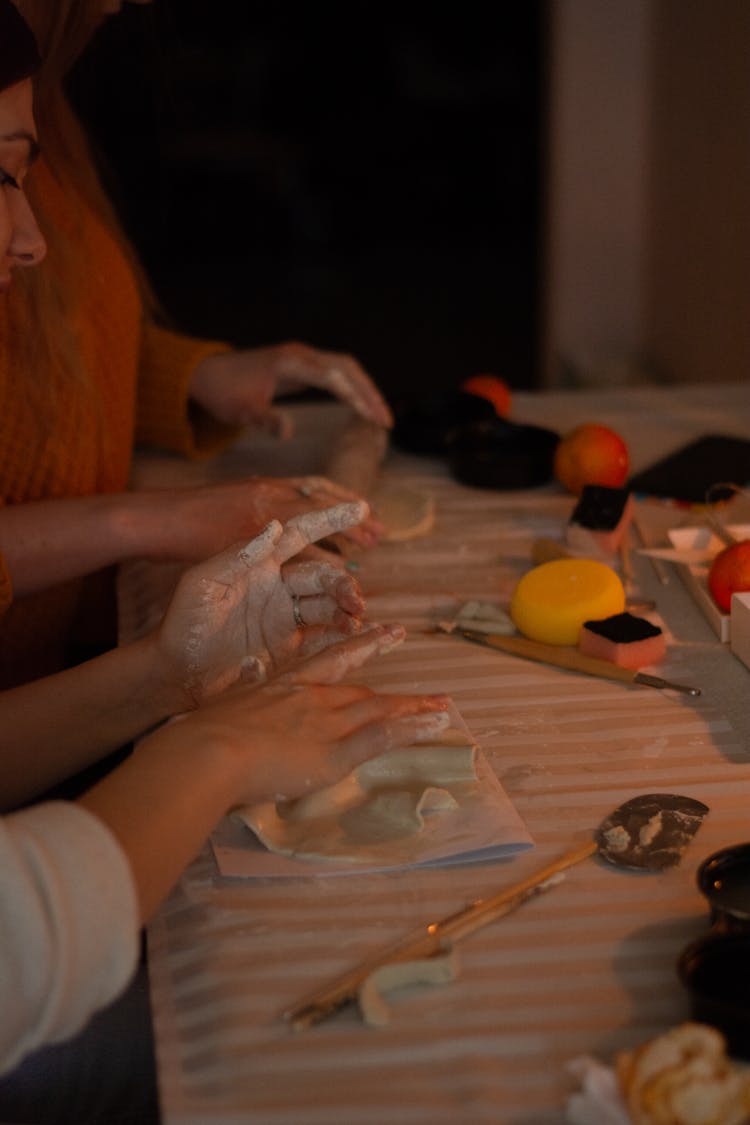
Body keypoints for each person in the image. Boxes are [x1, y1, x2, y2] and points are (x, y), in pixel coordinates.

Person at [0, 12, 451, 1120]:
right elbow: (26, 943)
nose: (32, 240)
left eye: (22, 178)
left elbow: (72, 332)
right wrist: (211, 747)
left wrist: (164, 679)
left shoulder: (39, 81)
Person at [0, 0, 394, 690]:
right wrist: (157, 519)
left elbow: (54, 336)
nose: (119, 7)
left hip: (54, 656)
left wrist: (194, 376)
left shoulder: (34, 100)